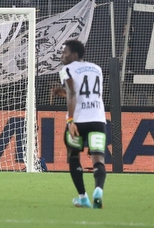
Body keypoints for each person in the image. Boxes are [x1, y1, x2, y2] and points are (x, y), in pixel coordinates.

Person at [52, 39, 106, 209]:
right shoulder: (97, 69)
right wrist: (64, 93)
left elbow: (73, 94)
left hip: (78, 121)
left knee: (74, 156)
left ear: (74, 54)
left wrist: (70, 120)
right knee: (98, 158)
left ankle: (83, 197)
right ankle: (98, 190)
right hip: (98, 119)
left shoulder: (66, 70)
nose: (62, 56)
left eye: (65, 53)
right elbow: (86, 92)